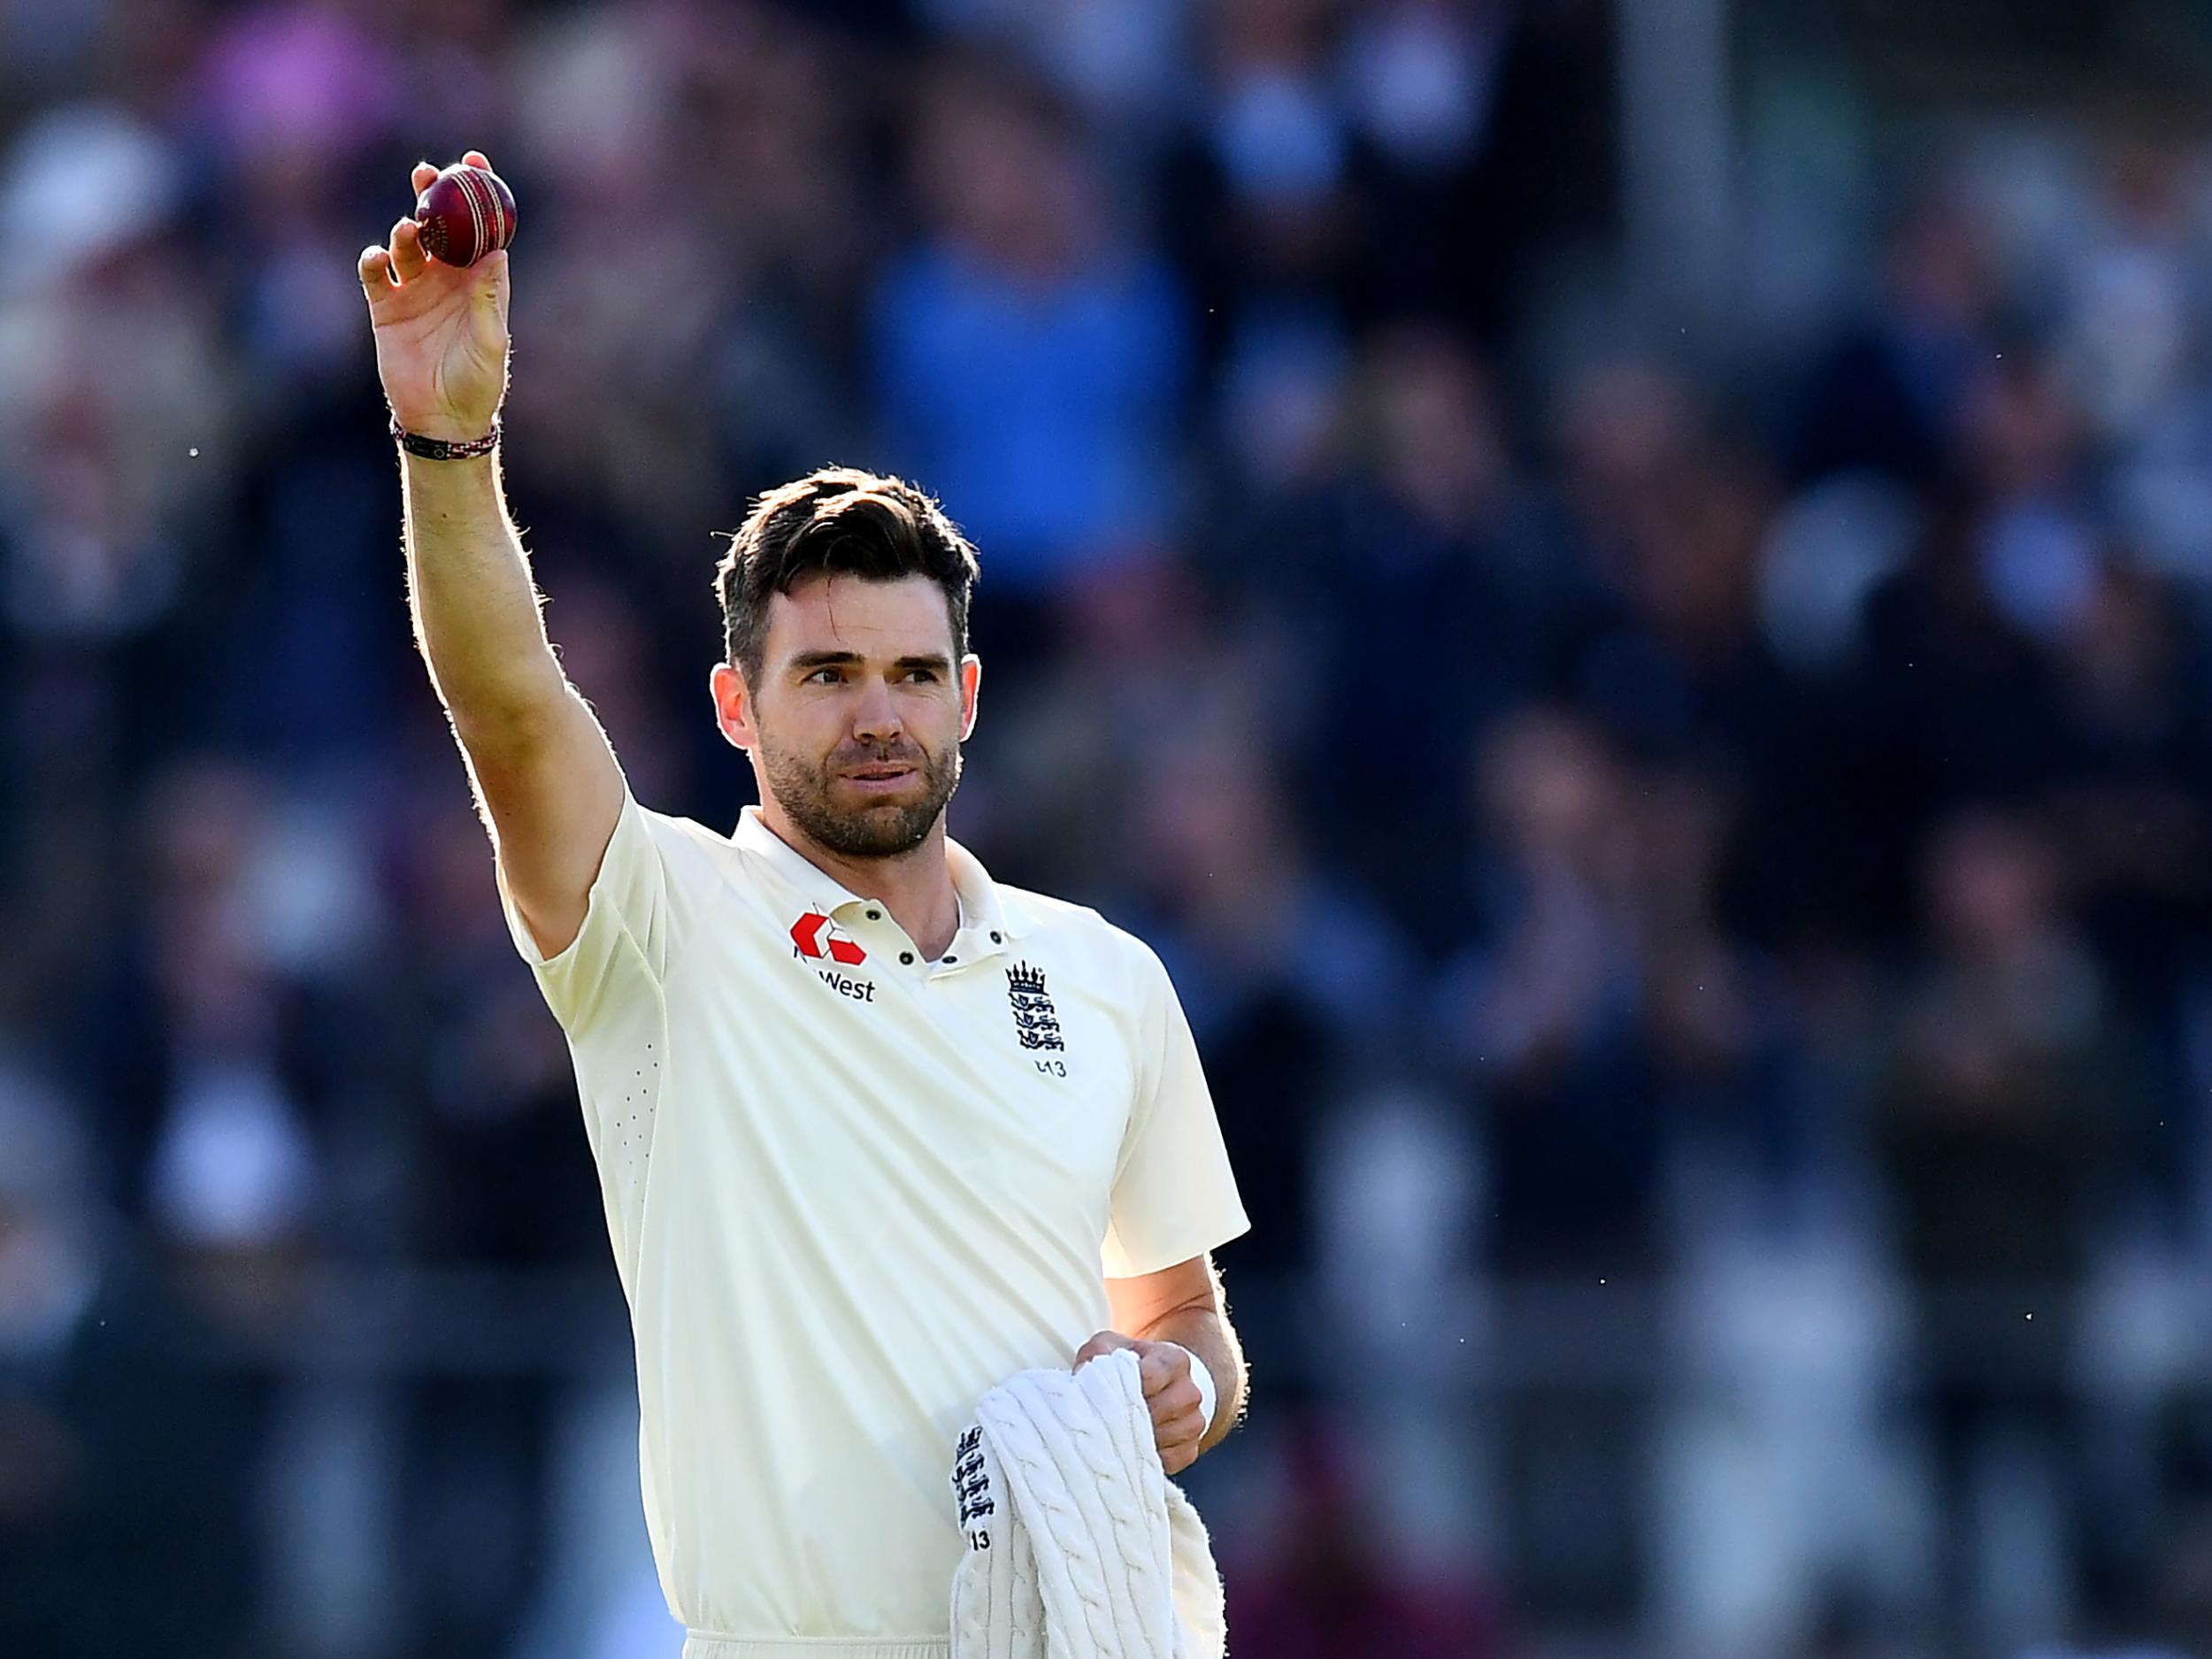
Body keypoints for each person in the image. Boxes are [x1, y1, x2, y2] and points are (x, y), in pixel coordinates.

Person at [357, 152, 1251, 1658]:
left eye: (912, 675)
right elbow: (510, 710)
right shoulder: (663, 926)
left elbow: (1185, 1314)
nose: (878, 715)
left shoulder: (1103, 975)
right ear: (735, 706)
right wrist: (450, 449)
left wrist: (1187, 1389)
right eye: (827, 677)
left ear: (969, 698)